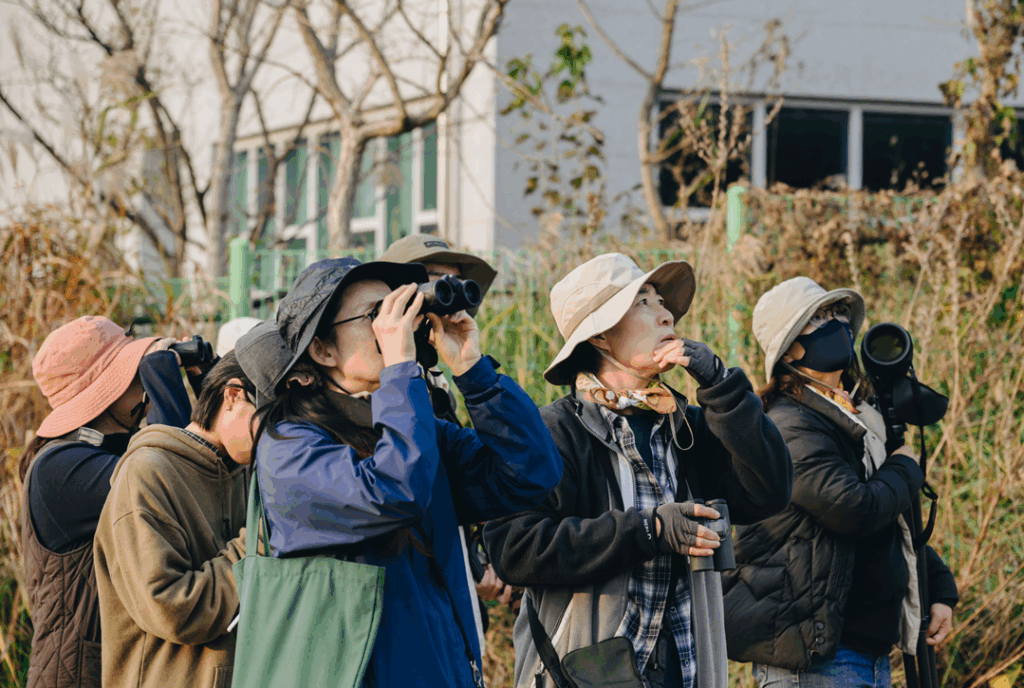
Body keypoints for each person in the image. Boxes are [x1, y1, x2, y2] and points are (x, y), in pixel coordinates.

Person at [483, 252, 793, 688]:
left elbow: (771, 490)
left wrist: (722, 386)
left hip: (683, 667)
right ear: (602, 337)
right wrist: (648, 531)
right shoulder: (556, 430)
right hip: (587, 671)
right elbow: (514, 548)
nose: (666, 313)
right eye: (643, 302)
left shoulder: (686, 425)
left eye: (661, 302)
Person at [252, 257, 563, 687]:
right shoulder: (289, 449)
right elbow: (397, 491)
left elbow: (530, 474)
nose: (395, 325)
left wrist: (474, 374)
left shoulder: (411, 427)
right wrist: (401, 371)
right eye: (375, 315)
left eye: (399, 310)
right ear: (323, 350)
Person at [722, 276, 959, 688]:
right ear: (790, 349)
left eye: (837, 312)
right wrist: (905, 466)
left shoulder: (853, 415)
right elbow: (857, 509)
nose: (836, 323)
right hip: (815, 658)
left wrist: (938, 589)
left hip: (862, 652)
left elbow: (893, 517)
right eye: (818, 318)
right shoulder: (786, 424)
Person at [20, 316, 197, 688]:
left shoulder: (102, 454)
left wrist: (204, 379)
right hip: (78, 678)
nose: (141, 387)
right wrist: (163, 382)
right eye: (133, 376)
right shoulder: (61, 468)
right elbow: (177, 479)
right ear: (105, 391)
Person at [93, 352, 257, 688]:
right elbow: (172, 609)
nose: (278, 437)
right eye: (272, 418)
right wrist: (257, 542)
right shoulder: (147, 472)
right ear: (233, 395)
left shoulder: (246, 471)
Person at [381, 233, 515, 633]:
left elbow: (501, 471)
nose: (449, 294)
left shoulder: (437, 381)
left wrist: (483, 551)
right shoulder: (374, 384)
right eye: (435, 282)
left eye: (456, 285)